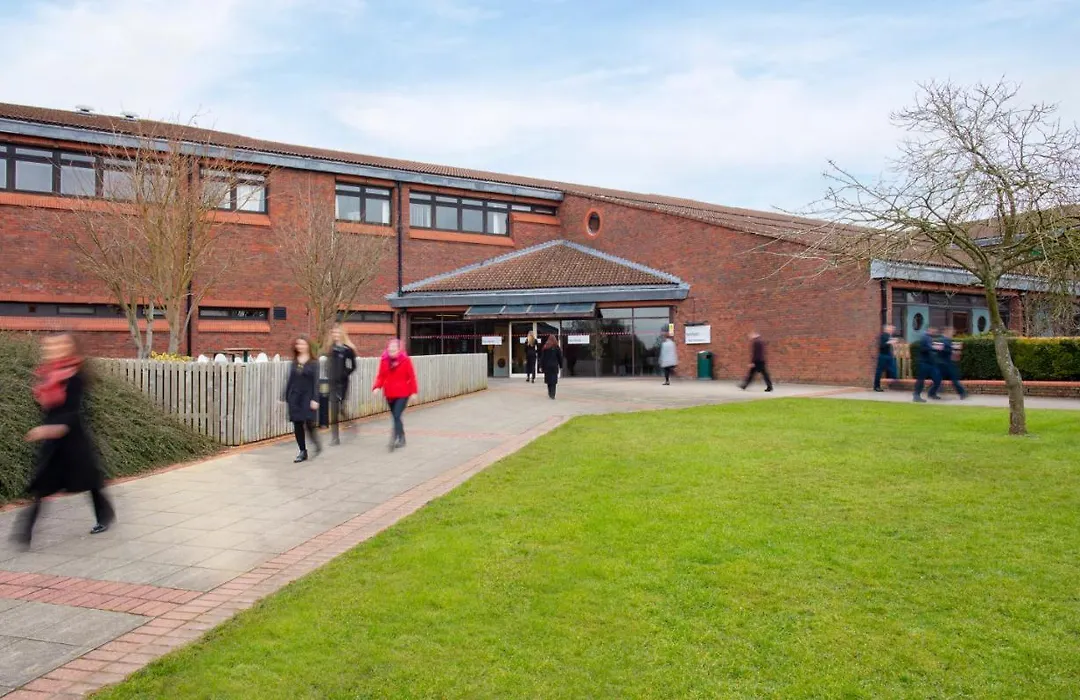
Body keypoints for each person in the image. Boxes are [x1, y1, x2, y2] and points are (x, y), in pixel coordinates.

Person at [13, 333, 115, 548]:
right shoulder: (47, 375)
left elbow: (73, 412)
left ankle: (105, 515)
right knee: (43, 485)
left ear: (71, 348)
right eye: (51, 346)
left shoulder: (76, 376)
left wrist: (49, 429)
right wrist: (47, 429)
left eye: (60, 345)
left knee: (89, 481)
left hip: (74, 439)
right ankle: (25, 532)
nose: (54, 349)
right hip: (53, 443)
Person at [372, 338, 418, 451]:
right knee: (396, 416)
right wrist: (377, 387)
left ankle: (394, 438)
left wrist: (413, 392)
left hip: (403, 393)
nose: (392, 350)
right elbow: (381, 376)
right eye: (390, 348)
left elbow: (411, 377)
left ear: (399, 349)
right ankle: (402, 437)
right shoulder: (384, 360)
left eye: (394, 348)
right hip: (389, 394)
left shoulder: (405, 360)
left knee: (396, 415)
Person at [284, 336, 321, 462]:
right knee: (297, 423)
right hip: (295, 397)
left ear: (308, 346)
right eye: (298, 344)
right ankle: (302, 451)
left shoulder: (314, 363)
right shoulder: (294, 362)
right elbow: (290, 380)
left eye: (303, 344)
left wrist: (315, 399)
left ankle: (316, 443)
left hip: (308, 396)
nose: (300, 346)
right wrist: (286, 396)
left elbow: (316, 382)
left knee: (309, 422)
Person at [327, 325, 357, 445]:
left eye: (338, 333)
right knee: (334, 410)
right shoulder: (331, 349)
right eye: (334, 333)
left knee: (341, 408)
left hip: (343, 383)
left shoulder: (347, 350)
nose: (336, 335)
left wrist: (345, 374)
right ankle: (335, 438)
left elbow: (353, 366)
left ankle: (350, 422)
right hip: (332, 383)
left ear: (342, 334)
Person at [933, 327, 968, 399]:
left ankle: (962, 393)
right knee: (947, 380)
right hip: (943, 364)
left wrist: (955, 349)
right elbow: (940, 350)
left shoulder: (946, 340)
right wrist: (954, 349)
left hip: (947, 364)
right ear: (947, 332)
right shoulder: (942, 340)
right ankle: (962, 393)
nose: (952, 334)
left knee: (952, 379)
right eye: (951, 332)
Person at [912, 325, 940, 403]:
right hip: (924, 363)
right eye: (933, 330)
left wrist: (934, 349)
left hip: (930, 363)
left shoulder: (929, 338)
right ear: (929, 329)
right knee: (921, 380)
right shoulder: (924, 337)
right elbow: (924, 348)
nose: (935, 332)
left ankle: (931, 393)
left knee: (937, 378)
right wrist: (934, 348)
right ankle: (916, 395)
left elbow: (929, 349)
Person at [873, 324, 898, 392]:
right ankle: (876, 386)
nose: (892, 329)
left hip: (888, 355)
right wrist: (889, 342)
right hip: (883, 355)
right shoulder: (883, 335)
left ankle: (895, 379)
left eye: (892, 328)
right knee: (879, 371)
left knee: (893, 367)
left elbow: (890, 345)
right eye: (890, 328)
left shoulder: (889, 336)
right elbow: (881, 346)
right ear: (886, 329)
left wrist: (893, 344)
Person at [539, 334, 563, 399]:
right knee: (554, 381)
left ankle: (550, 393)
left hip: (547, 366)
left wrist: (541, 366)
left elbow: (542, 358)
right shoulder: (557, 347)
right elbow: (560, 357)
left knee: (548, 380)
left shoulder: (545, 347)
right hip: (554, 366)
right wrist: (561, 365)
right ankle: (553, 394)